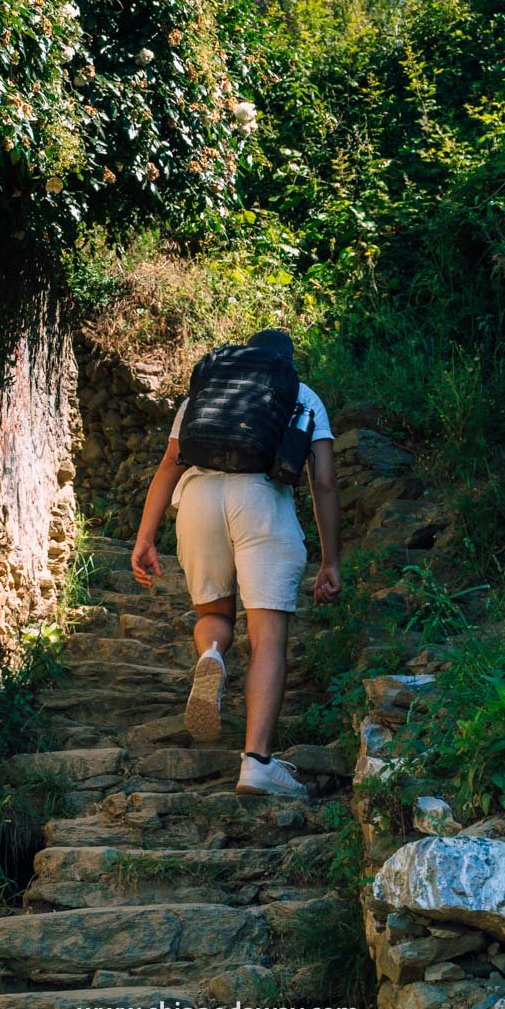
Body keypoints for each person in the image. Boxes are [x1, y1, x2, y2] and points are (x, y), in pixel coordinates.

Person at [130, 329, 341, 800]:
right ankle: (257, 764)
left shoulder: (208, 390)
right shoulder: (302, 394)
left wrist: (145, 539)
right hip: (262, 501)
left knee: (214, 617)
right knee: (267, 639)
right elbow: (323, 482)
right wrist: (331, 560)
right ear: (285, 362)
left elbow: (170, 463)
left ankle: (211, 658)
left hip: (199, 499)